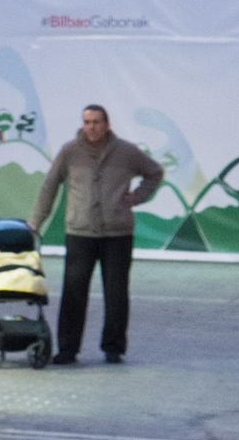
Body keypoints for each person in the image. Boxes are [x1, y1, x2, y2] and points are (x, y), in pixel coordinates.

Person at [29, 104, 163, 365]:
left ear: (107, 124)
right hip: (80, 232)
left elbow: (154, 173)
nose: (91, 127)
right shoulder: (70, 151)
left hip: (118, 233)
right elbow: (50, 185)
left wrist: (136, 197)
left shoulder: (126, 152)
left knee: (116, 292)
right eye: (87, 122)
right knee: (73, 291)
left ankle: (113, 347)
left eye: (97, 122)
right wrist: (36, 220)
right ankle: (68, 349)